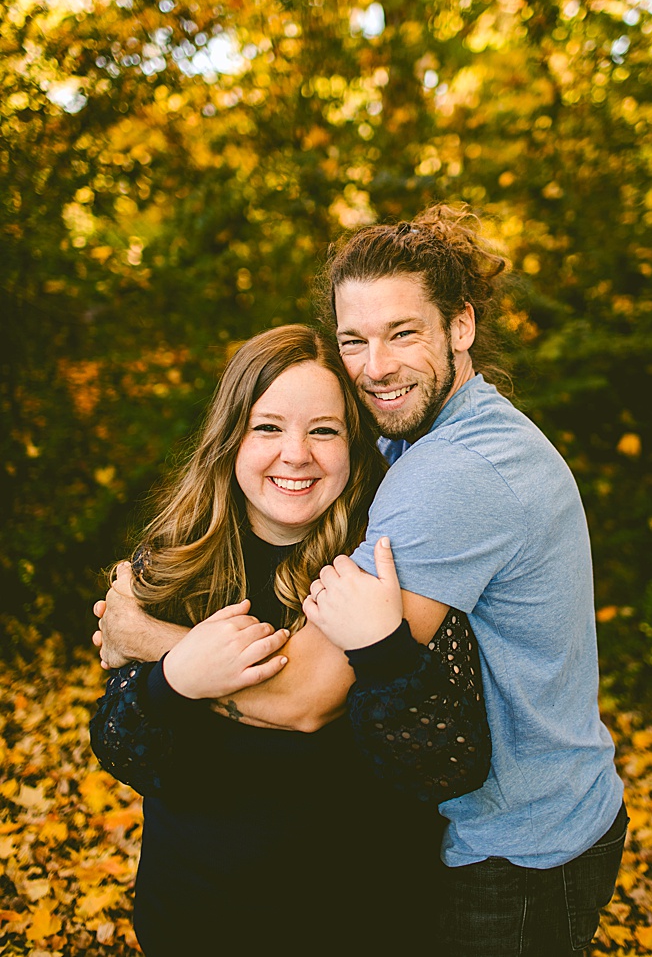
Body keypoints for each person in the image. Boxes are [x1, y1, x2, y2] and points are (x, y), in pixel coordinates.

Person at [98, 206, 626, 956]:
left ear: (461, 326)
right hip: (526, 812)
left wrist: (146, 641)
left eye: (403, 333)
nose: (376, 364)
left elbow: (306, 697)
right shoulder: (415, 442)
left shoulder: (447, 475)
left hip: (515, 845)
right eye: (355, 339)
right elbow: (128, 741)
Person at [89, 324, 487, 956]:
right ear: (231, 439)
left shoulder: (392, 565)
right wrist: (172, 682)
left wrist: (382, 652)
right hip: (193, 921)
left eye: (323, 430)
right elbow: (121, 747)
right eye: (268, 427)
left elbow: (449, 762)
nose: (296, 454)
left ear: (356, 443)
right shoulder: (172, 564)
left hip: (362, 929)